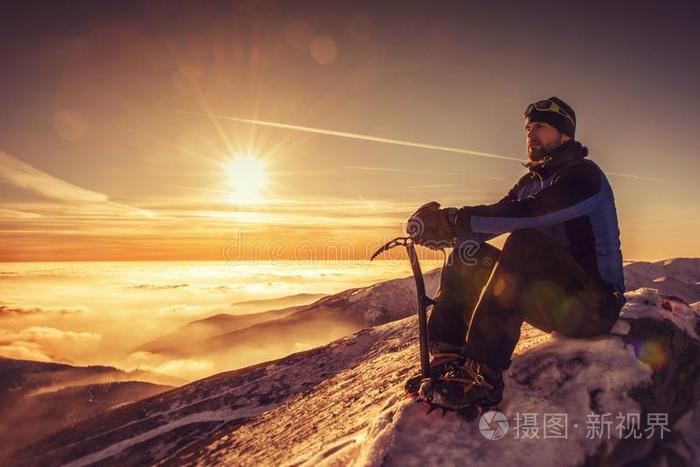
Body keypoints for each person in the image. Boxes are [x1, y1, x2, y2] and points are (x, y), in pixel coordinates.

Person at [407, 97, 626, 411]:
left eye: (541, 126)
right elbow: (497, 218)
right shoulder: (529, 182)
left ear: (565, 134)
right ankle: (448, 358)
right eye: (528, 128)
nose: (531, 134)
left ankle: (482, 376)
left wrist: (456, 219)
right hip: (552, 300)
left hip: (594, 306)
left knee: (526, 241)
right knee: (466, 251)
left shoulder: (583, 177)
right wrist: (449, 231)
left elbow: (532, 214)